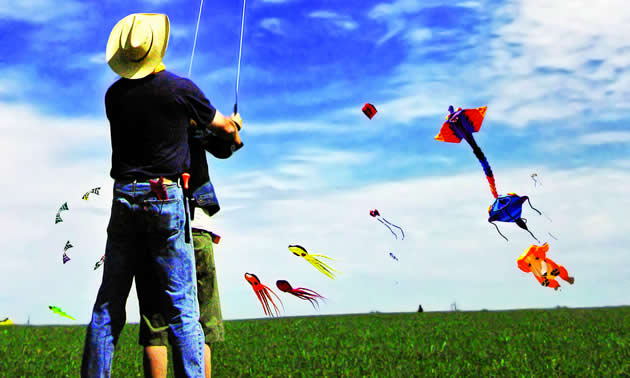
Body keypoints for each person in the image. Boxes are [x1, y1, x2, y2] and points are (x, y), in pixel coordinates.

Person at [81, 13, 242, 377]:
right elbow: (223, 127)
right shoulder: (180, 89)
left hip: (123, 198)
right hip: (164, 197)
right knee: (184, 310)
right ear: (158, 48)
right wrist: (234, 127)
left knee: (107, 307)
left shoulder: (113, 96)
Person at [140, 78, 242, 378]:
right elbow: (230, 144)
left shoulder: (136, 118)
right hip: (194, 225)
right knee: (201, 320)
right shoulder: (192, 121)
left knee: (155, 324)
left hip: (150, 223)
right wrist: (233, 125)